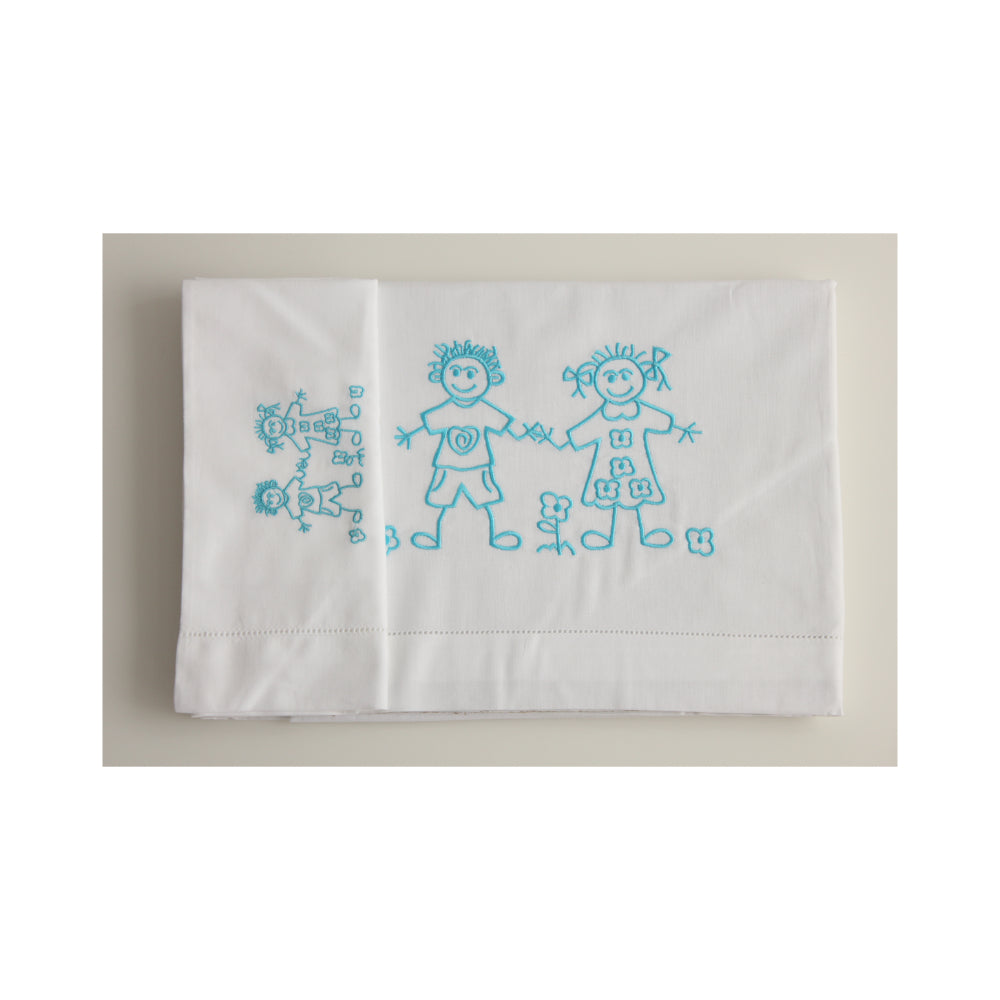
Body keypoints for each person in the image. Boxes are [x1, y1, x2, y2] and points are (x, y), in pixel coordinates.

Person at [394, 340, 535, 550]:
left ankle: (493, 536)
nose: (462, 380)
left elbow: (505, 426)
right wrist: (409, 434)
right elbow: (427, 423)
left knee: (484, 499)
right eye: (455, 372)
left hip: (477, 466)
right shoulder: (448, 409)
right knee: (442, 500)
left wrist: (525, 433)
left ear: (490, 378)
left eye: (470, 374)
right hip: (448, 466)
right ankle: (435, 536)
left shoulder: (484, 409)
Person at [559, 345, 701, 549]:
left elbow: (662, 421)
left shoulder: (640, 412)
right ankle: (605, 534)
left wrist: (681, 428)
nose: (619, 383)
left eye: (626, 376)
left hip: (636, 467)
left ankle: (648, 531)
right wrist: (559, 442)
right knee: (609, 498)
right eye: (610, 378)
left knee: (639, 495)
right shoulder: (603, 415)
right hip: (608, 468)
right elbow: (581, 433)